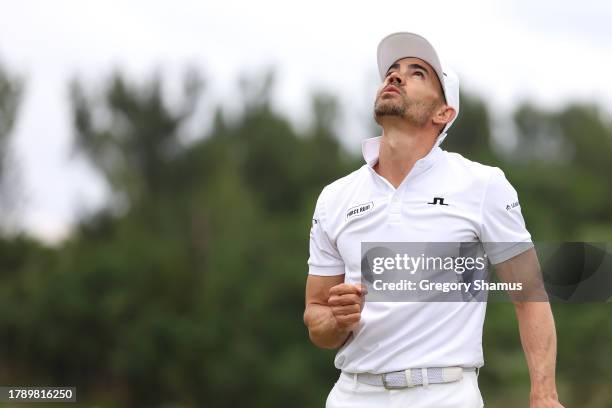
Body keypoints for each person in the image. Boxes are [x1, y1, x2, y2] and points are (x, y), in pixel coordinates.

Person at [303, 32, 564, 408]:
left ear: (444, 113)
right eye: (391, 71)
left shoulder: (483, 185)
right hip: (352, 394)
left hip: (444, 394)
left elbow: (529, 296)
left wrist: (545, 394)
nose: (395, 76)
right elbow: (317, 316)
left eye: (417, 73)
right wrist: (336, 320)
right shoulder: (334, 198)